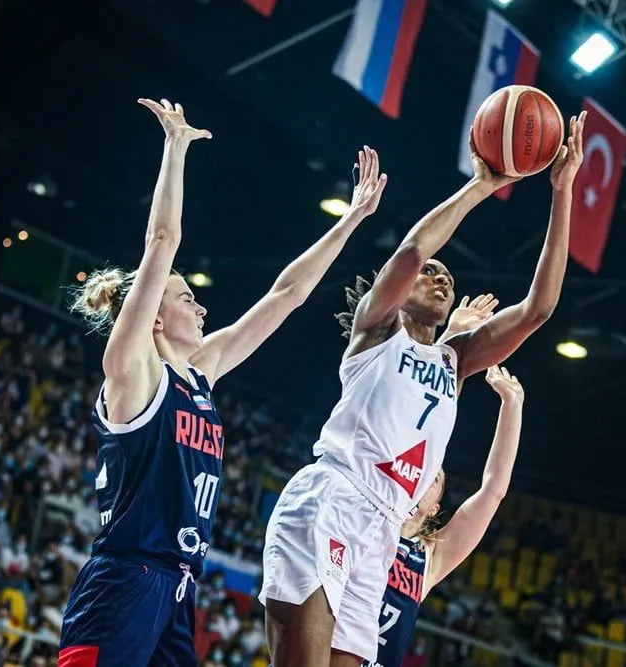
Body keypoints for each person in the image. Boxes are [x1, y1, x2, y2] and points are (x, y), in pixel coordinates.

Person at [56, 98, 387, 667]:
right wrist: (175, 148)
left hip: (180, 586)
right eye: (187, 298)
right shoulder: (133, 371)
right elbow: (162, 241)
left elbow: (287, 295)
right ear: (154, 317)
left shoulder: (200, 372)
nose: (202, 307)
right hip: (125, 580)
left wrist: (351, 219)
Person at [259, 113, 587, 667]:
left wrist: (562, 191)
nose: (441, 280)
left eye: (448, 280)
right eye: (433, 274)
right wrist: (481, 186)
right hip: (334, 499)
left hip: (384, 530)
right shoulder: (375, 331)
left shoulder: (455, 361)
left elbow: (539, 309)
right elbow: (412, 252)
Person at [367, 354, 524, 667]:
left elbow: (493, 490)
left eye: (435, 477)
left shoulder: (429, 557)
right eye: (423, 469)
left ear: (434, 508)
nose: (426, 474)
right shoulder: (366, 516)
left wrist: (513, 404)